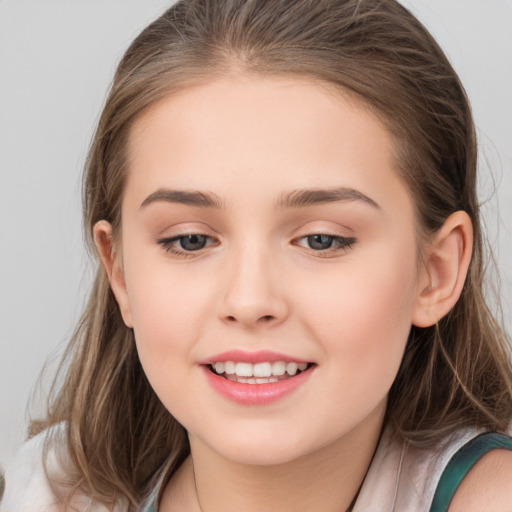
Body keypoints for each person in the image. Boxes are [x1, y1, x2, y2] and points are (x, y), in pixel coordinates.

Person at [2, 0, 512, 510]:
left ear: (436, 271)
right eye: (190, 240)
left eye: (321, 239)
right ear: (120, 272)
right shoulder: (48, 495)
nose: (249, 301)